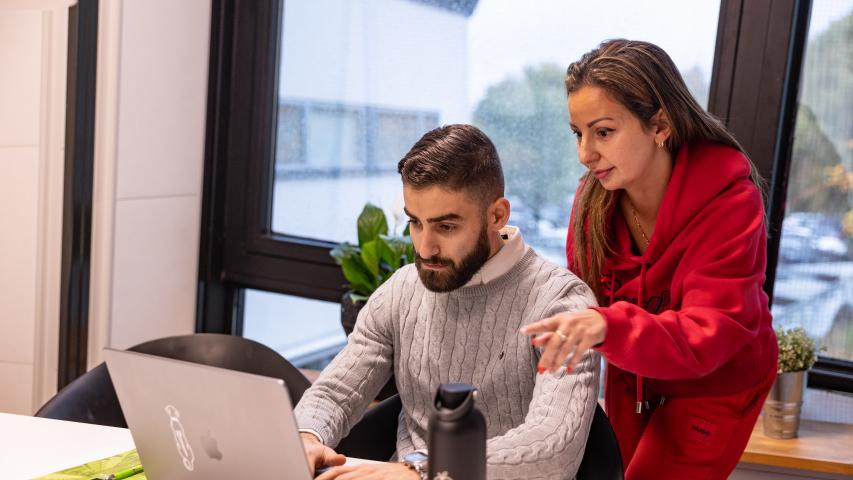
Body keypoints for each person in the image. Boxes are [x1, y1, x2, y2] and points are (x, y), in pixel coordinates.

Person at [521, 39, 778, 479]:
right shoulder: (593, 201)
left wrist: (607, 325)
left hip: (716, 383)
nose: (585, 154)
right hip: (635, 374)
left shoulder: (731, 202)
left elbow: (708, 335)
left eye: (603, 132)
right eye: (577, 133)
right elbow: (579, 301)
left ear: (659, 125)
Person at [295, 124, 600, 480]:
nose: (425, 248)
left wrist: (421, 470)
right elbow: (335, 391)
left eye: (446, 227)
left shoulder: (561, 303)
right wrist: (306, 436)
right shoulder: (402, 291)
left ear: (497, 215)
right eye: (416, 223)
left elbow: (553, 447)